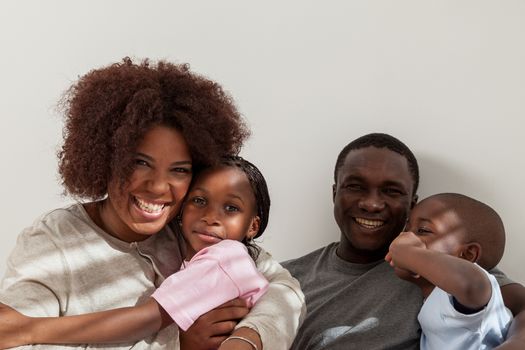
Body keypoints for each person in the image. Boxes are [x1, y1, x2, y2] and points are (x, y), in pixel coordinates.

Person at [0, 58, 304, 350]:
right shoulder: (53, 242)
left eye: (179, 170)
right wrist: (175, 345)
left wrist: (249, 335)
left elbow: (284, 290)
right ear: (106, 157)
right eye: (140, 163)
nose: (159, 187)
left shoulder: (197, 233)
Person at [0, 156, 297, 350]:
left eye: (230, 208)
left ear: (252, 226)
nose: (211, 217)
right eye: (199, 201)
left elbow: (143, 318)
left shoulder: (224, 260)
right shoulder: (53, 237)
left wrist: (31, 329)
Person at [283, 133, 525, 350]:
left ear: (411, 204)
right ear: (335, 194)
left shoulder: (443, 266)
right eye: (356, 186)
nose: (372, 204)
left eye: (392, 191)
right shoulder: (286, 277)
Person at [386, 193, 512, 349]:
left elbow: (472, 285)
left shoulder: (460, 292)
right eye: (406, 227)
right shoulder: (437, 299)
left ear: (467, 255)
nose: (405, 236)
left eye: (423, 230)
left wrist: (408, 253)